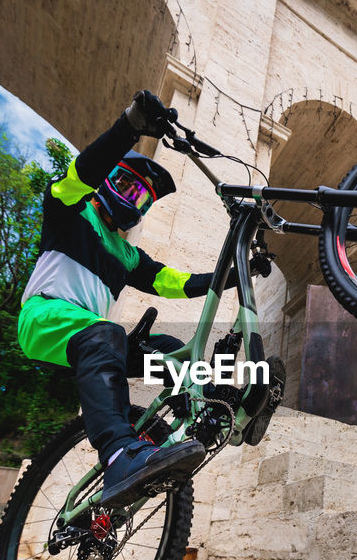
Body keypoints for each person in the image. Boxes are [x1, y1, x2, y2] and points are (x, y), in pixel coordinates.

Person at [17, 90, 216, 507]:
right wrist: (130, 126)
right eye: (126, 184)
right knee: (107, 332)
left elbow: (177, 282)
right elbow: (82, 172)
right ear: (107, 183)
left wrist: (234, 272)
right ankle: (118, 454)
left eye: (142, 196)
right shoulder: (68, 210)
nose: (133, 198)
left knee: (170, 350)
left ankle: (204, 416)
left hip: (94, 340)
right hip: (44, 318)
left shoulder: (127, 255)